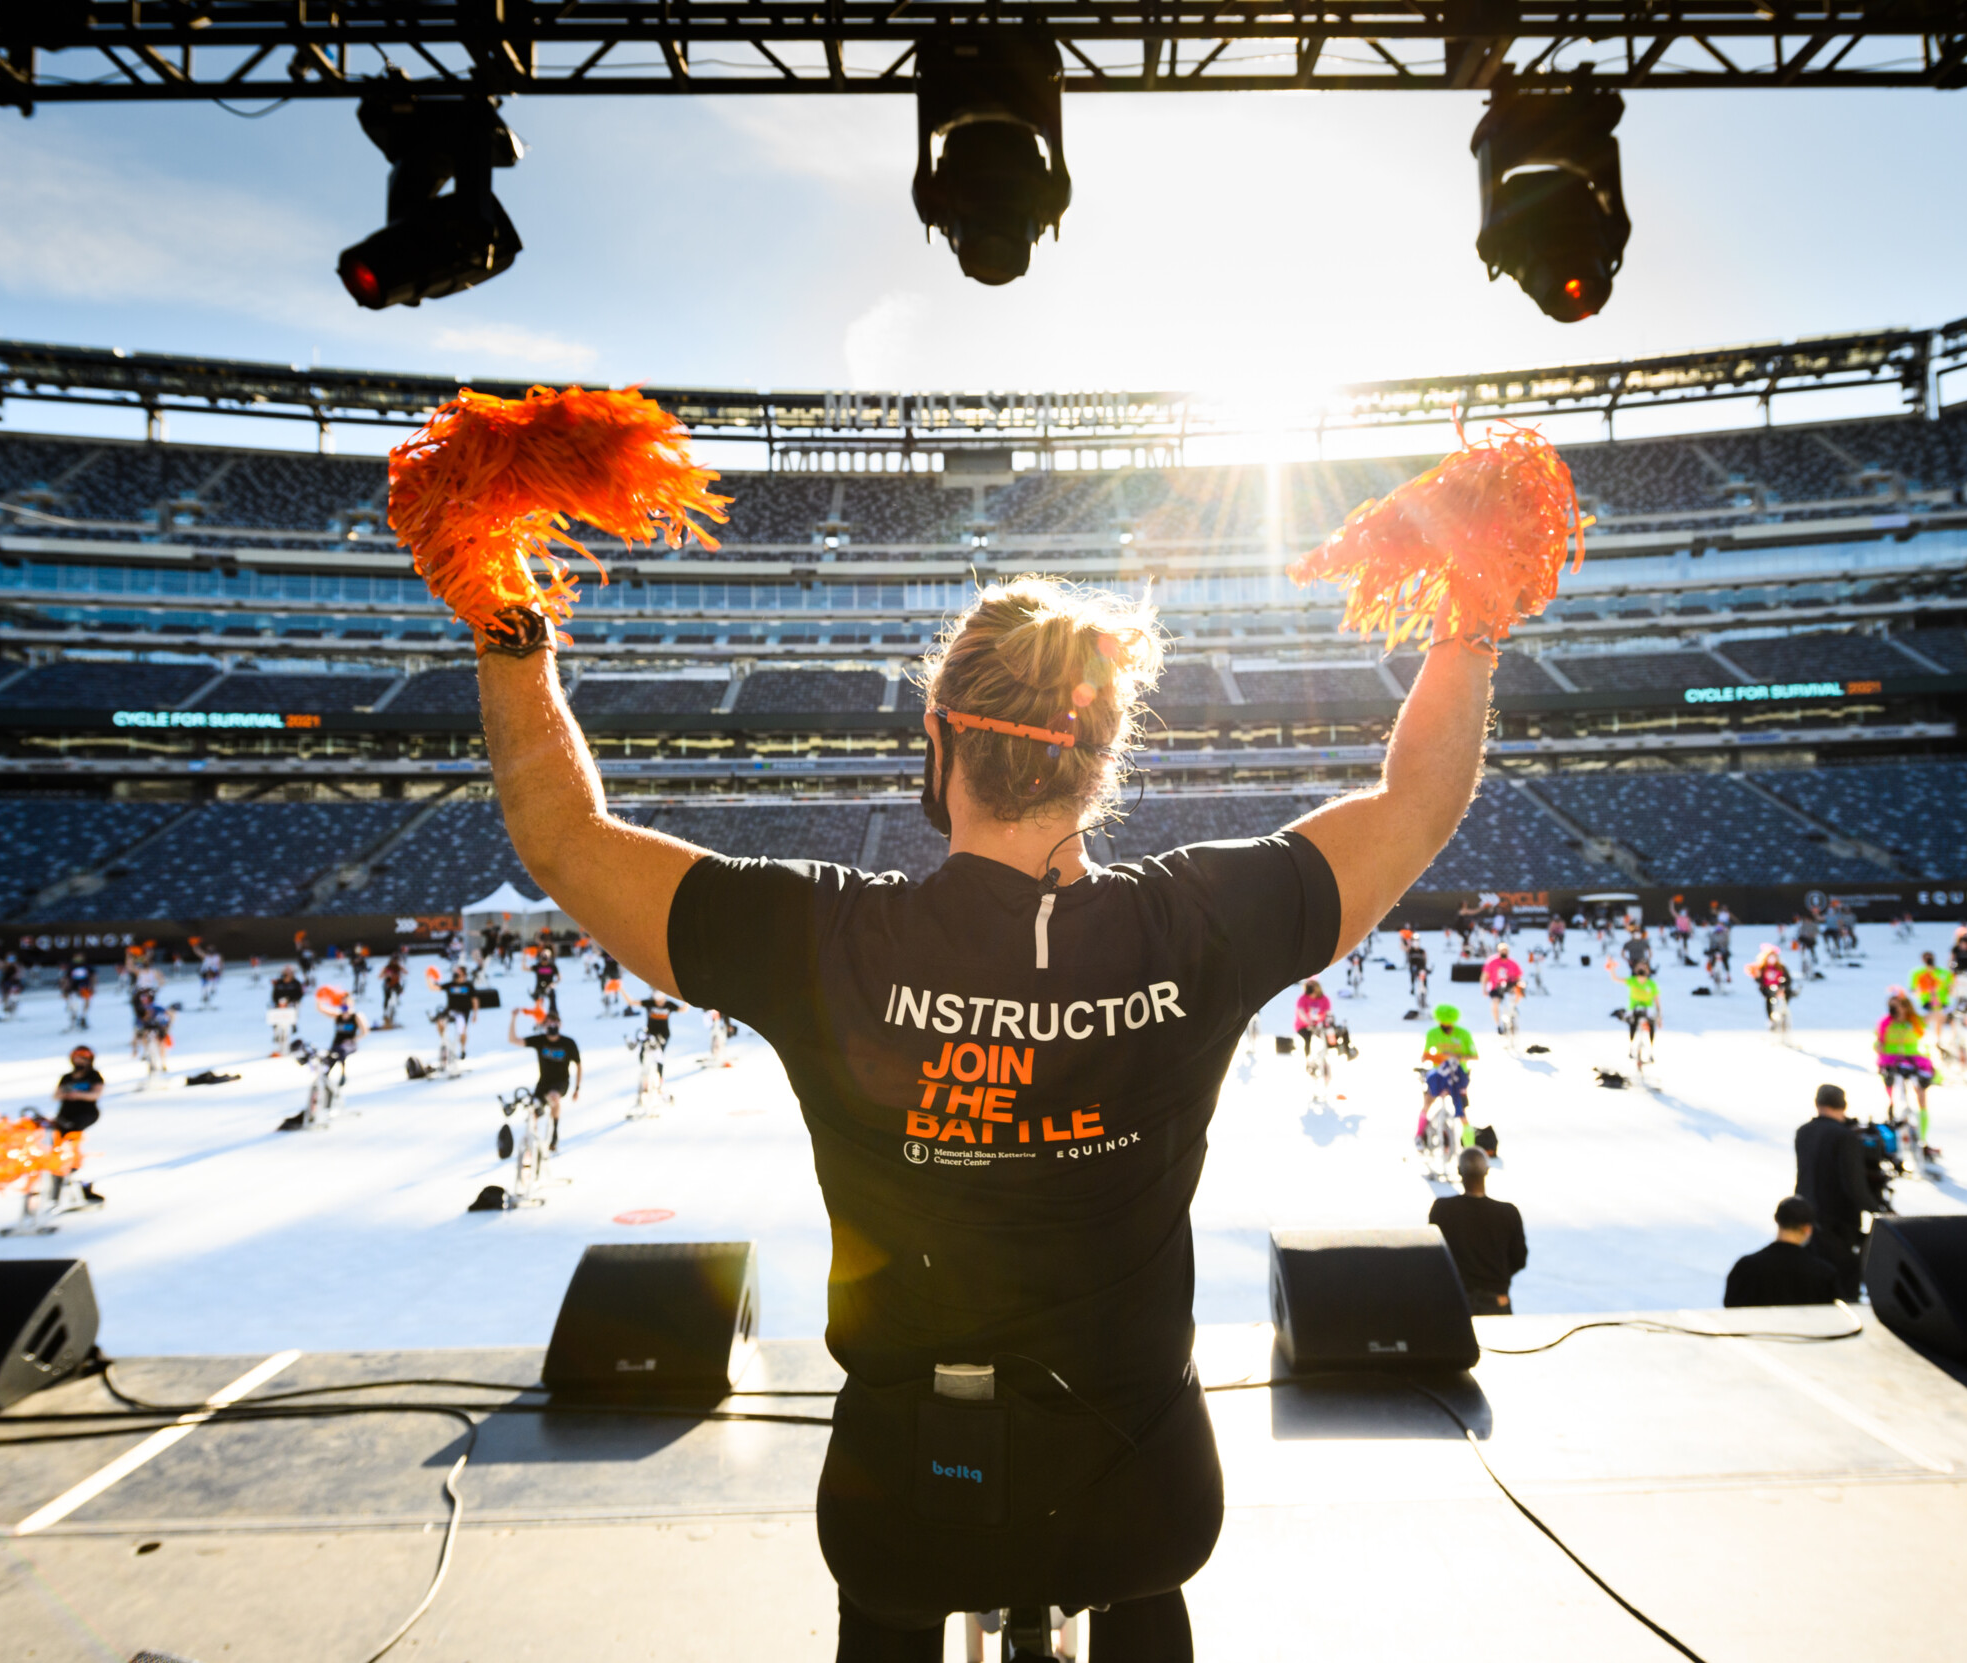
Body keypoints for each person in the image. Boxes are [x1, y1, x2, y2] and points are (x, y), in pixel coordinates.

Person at [469, 572, 1491, 1657]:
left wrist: (507, 625)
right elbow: (1416, 803)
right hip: (1145, 1490)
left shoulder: (827, 937)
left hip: (904, 1497)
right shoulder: (1201, 922)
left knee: (892, 1595)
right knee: (1140, 1578)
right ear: (1101, 759)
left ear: (936, 735)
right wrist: (1473, 621)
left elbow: (565, 839)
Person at [1794, 1084, 1879, 1300]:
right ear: (1843, 1105)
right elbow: (1853, 1184)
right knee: (1843, 1280)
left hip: (1807, 1216)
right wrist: (1877, 1210)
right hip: (1838, 1223)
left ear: (1818, 1103)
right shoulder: (1845, 1137)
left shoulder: (1803, 1132)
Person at [1427, 1147, 1527, 1315]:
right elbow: (1519, 1259)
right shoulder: (1508, 1213)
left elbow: (1434, 1257)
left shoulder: (1442, 1210)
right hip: (1496, 1300)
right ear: (1487, 1171)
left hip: (1455, 1299)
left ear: (1459, 1171)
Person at [1722, 1197, 1840, 1307]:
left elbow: (1731, 1310)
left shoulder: (1745, 1267)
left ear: (1776, 1219)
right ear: (1807, 1229)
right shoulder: (1824, 1275)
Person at [511, 1006, 582, 1152]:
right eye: (548, 1023)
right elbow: (513, 1040)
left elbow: (579, 1065)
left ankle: (554, 1132)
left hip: (561, 1082)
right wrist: (514, 1018)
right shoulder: (540, 1040)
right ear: (543, 1026)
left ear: (559, 1024)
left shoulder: (568, 1043)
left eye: (554, 1023)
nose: (551, 1026)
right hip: (543, 1083)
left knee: (553, 1098)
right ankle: (533, 1142)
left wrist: (577, 1088)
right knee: (533, 1110)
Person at [47, 1044, 108, 1208]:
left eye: (82, 1058)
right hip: (64, 1115)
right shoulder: (67, 1077)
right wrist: (66, 1093)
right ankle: (59, 1174)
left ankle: (73, 1171)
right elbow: (56, 1095)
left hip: (84, 1115)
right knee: (56, 1141)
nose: (79, 1061)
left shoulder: (93, 1076)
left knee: (72, 1140)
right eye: (76, 1058)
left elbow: (96, 1093)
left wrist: (79, 1095)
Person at [1874, 991, 1932, 1143]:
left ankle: (1922, 1138)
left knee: (1921, 1094)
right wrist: (1879, 1047)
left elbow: (1931, 1019)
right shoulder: (1885, 1023)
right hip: (1892, 1062)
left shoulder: (1914, 1021)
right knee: (1893, 1095)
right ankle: (1895, 1132)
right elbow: (1878, 1041)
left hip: (1914, 1061)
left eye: (1897, 1005)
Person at [1417, 1002, 1477, 1147]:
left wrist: (1457, 1057)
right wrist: (1439, 1058)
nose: (1446, 1028)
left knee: (1461, 1110)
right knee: (1428, 1102)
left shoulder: (1463, 1034)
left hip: (1458, 1075)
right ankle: (1419, 1135)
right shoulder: (1433, 1033)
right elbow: (1425, 1056)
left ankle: (1469, 1145)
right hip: (1439, 1074)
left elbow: (1474, 1056)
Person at [1607, 956, 1660, 1061]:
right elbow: (1615, 978)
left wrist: (1659, 1016)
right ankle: (1631, 1048)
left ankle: (1651, 1050)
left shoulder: (1652, 984)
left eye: (1644, 967)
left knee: (1651, 1024)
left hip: (1647, 1009)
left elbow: (1657, 1002)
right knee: (1632, 1023)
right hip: (1634, 1008)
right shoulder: (1632, 981)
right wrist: (1612, 967)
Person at [1749, 944, 1796, 1030]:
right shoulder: (1763, 968)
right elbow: (1759, 980)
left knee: (1786, 996)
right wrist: (1758, 977)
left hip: (1780, 988)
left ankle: (1783, 1014)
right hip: (1767, 988)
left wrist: (1783, 987)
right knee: (1769, 1000)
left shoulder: (1781, 967)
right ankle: (1771, 1019)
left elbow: (1788, 979)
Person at [1481, 941, 1523, 1036]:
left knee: (1518, 993)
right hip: (1496, 986)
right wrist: (1484, 988)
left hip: (1509, 985)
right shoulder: (1492, 962)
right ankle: (1498, 1024)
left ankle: (1513, 1012)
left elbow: (1518, 977)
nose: (1504, 953)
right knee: (1495, 1003)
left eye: (1506, 951)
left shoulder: (1512, 963)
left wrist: (1520, 985)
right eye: (1502, 951)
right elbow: (1485, 976)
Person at [268, 964, 306, 1056]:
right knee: (277, 1025)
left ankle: (289, 1041)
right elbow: (274, 995)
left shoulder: (296, 983)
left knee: (288, 1026)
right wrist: (278, 1003)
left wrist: (291, 1002)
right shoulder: (279, 983)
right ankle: (277, 1039)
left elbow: (299, 995)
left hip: (291, 1007)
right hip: (279, 1008)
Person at [1291, 978, 1333, 1057]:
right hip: (1303, 1026)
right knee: (1308, 1038)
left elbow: (1328, 1013)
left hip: (1318, 1025)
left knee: (1328, 1036)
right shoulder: (1302, 999)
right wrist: (1308, 1021)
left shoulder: (1324, 999)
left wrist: (1328, 1021)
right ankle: (1308, 1058)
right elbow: (1301, 1012)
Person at [61, 954, 95, 1031]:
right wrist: (65, 989)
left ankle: (83, 1016)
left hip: (85, 987)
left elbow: (93, 976)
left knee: (86, 1001)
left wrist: (93, 986)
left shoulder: (87, 966)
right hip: (73, 988)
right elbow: (66, 978)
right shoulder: (71, 967)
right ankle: (74, 1019)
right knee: (73, 1004)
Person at [529, 945, 563, 1019]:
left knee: (552, 995)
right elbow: (524, 968)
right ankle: (540, 1017)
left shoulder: (552, 966)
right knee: (538, 999)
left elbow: (559, 978)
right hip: (539, 987)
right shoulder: (538, 966)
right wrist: (524, 957)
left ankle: (553, 1013)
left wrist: (553, 984)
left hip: (549, 986)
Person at [379, 949, 407, 1029]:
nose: (395, 962)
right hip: (388, 985)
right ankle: (386, 1012)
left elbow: (405, 972)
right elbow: (380, 976)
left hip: (396, 985)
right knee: (387, 998)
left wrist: (400, 973)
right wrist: (387, 975)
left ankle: (395, 1006)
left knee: (397, 995)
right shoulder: (387, 967)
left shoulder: (398, 967)